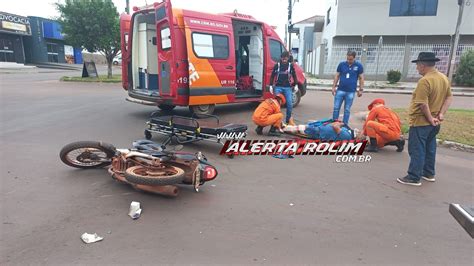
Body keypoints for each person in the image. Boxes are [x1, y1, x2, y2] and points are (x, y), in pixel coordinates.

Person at [397, 52, 453, 186]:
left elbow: (422, 104)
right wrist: (441, 114)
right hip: (435, 122)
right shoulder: (443, 78)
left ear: (422, 65)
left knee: (417, 149)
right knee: (430, 147)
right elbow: (449, 97)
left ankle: (413, 176)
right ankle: (428, 173)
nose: (416, 68)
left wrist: (429, 118)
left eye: (417, 65)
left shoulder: (425, 81)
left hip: (421, 121)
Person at [332, 50, 365, 125]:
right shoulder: (341, 64)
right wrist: (333, 87)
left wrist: (361, 89)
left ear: (354, 58)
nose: (349, 61)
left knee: (347, 109)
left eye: (350, 59)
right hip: (340, 90)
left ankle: (345, 125)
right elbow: (337, 76)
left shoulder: (359, 66)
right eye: (347, 59)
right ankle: (334, 123)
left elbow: (361, 78)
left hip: (351, 92)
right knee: (336, 108)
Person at [269, 51, 298, 125]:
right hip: (278, 87)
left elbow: (294, 75)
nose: (284, 60)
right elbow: (272, 76)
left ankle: (288, 121)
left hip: (287, 88)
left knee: (289, 104)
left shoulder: (290, 66)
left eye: (286, 58)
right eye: (283, 58)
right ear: (281, 58)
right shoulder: (277, 65)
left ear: (288, 58)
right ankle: (277, 122)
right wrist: (270, 86)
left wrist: (296, 84)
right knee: (277, 105)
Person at [283, 120, 354, 141]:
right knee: (306, 126)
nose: (359, 131)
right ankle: (289, 126)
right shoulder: (348, 131)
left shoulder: (347, 136)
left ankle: (283, 127)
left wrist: (340, 124)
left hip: (320, 132)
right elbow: (334, 124)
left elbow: (335, 126)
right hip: (321, 129)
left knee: (302, 128)